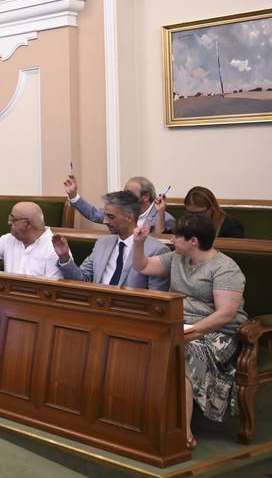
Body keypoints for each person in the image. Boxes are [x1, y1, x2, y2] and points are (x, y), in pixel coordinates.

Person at [129, 215, 248, 450]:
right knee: (139, 339)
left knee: (184, 351)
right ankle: (141, 420)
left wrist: (191, 332)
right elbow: (142, 266)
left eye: (176, 237)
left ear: (193, 241)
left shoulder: (225, 268)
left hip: (219, 334)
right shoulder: (177, 259)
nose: (172, 240)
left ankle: (182, 432)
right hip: (181, 325)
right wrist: (139, 243)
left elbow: (225, 314)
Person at [53, 190, 169, 291]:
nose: (105, 221)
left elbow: (157, 300)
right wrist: (64, 257)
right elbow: (82, 280)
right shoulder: (102, 243)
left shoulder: (156, 250)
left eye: (111, 217)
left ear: (130, 217)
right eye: (105, 215)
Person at [0, 200, 60, 279]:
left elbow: (53, 291)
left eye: (13, 220)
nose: (9, 223)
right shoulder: (9, 239)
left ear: (27, 224)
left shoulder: (54, 248)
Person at [63, 173, 174, 233]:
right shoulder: (121, 211)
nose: (125, 197)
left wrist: (160, 214)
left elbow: (162, 247)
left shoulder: (165, 218)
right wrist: (73, 196)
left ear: (145, 196)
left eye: (129, 193)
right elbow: (94, 214)